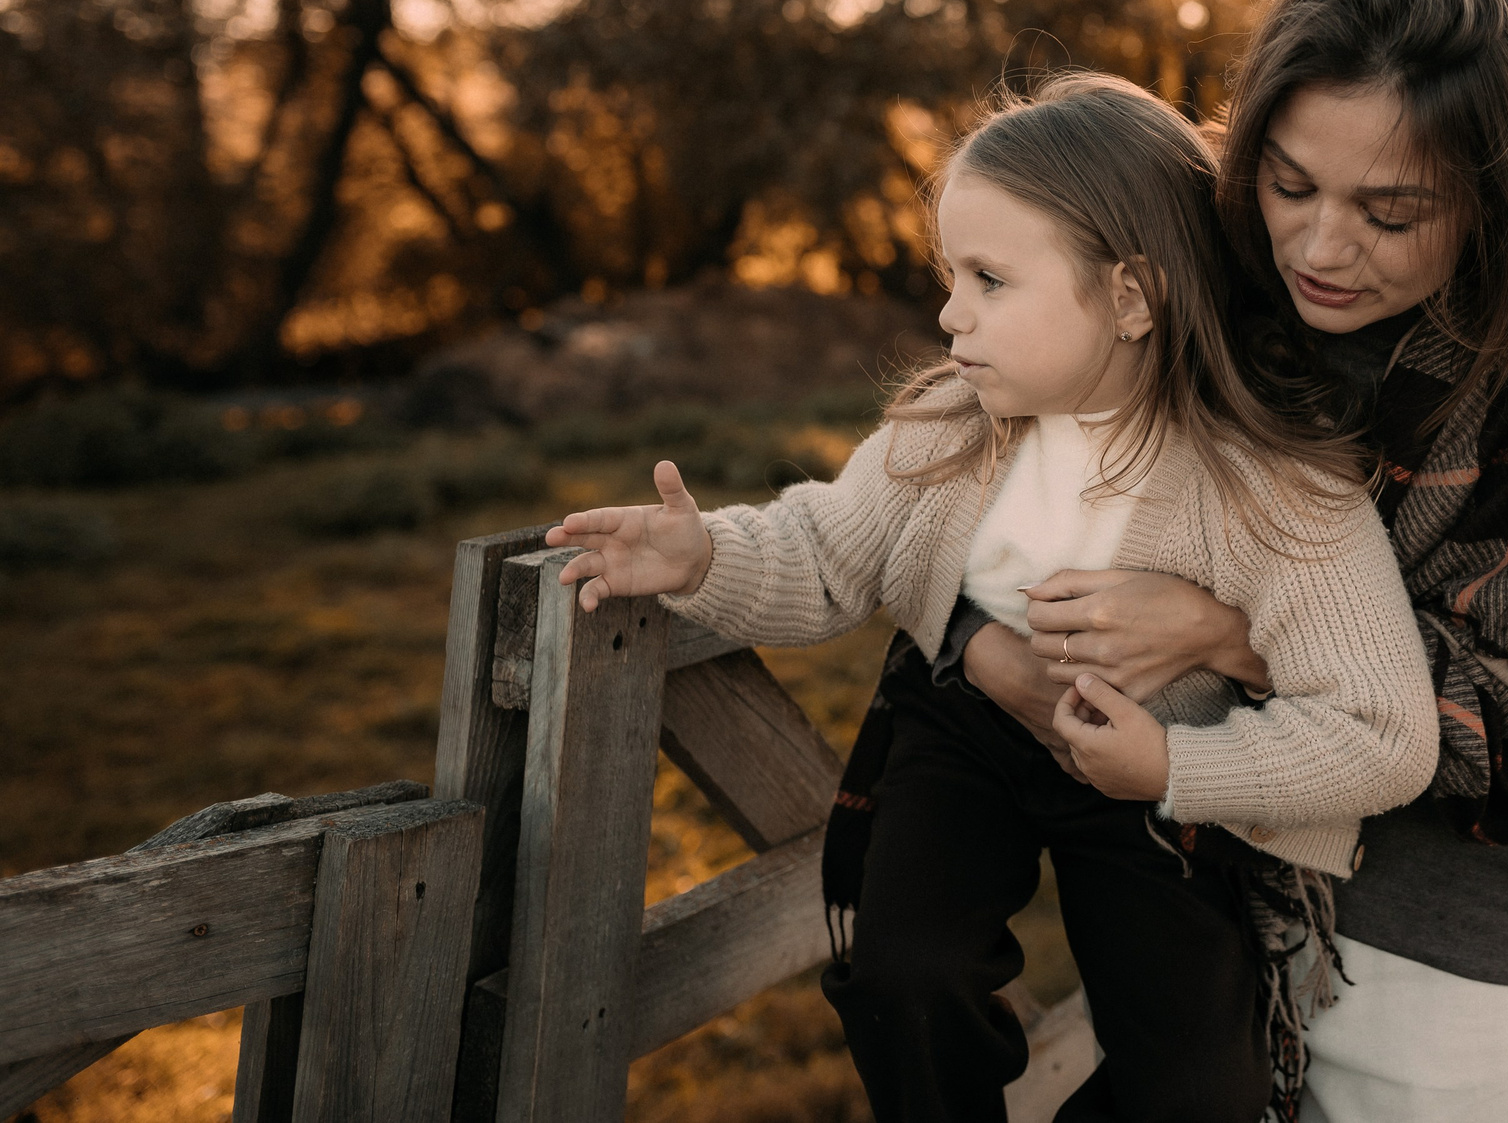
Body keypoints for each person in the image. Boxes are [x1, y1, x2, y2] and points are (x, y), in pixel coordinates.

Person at [544, 73, 1438, 1123]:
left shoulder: (1270, 488)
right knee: (904, 980)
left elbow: (1385, 731)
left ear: (1130, 297)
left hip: (1159, 777)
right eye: (950, 274)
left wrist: (1173, 764)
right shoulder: (946, 428)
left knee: (1200, 1092)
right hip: (963, 738)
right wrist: (699, 559)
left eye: (989, 280)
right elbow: (827, 552)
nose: (948, 312)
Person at [998, 0, 1508, 1123]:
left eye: (1391, 210)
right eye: (1290, 184)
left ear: (1496, 196)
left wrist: (1227, 635)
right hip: (1200, 882)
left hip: (1433, 943)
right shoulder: (1222, 267)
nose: (1320, 247)